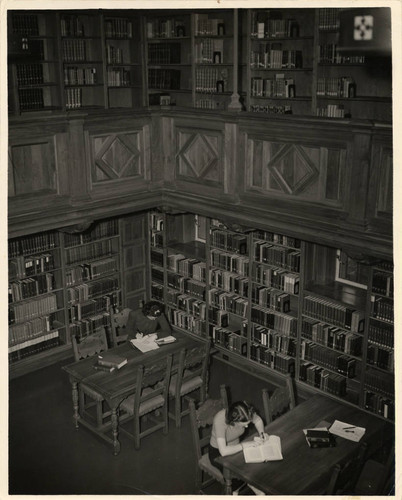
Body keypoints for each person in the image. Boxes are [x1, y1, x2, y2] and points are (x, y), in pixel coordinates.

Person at [209, 401, 267, 495]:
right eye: (244, 424)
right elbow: (223, 451)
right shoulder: (220, 420)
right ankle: (236, 490)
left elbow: (258, 420)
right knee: (236, 473)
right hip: (217, 453)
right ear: (234, 421)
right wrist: (245, 445)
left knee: (254, 463)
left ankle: (249, 484)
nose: (247, 426)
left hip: (236, 447)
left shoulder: (244, 413)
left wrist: (262, 433)